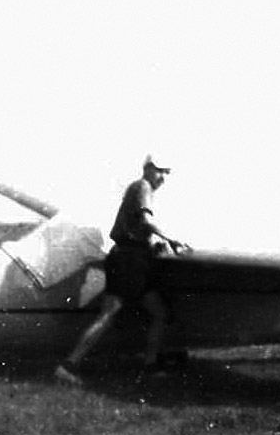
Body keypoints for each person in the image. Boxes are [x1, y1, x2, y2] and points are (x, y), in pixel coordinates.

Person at [54, 154, 189, 385]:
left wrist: (152, 244)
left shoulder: (138, 188)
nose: (163, 177)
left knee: (158, 312)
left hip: (129, 258)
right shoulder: (143, 187)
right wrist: (172, 240)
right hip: (131, 261)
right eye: (160, 170)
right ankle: (69, 365)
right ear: (147, 169)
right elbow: (145, 222)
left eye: (167, 172)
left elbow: (136, 227)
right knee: (112, 313)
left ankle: (150, 364)